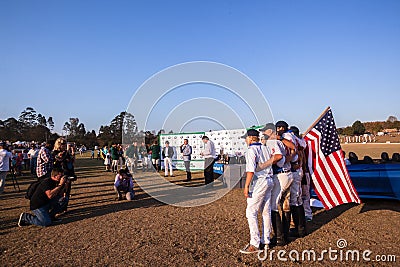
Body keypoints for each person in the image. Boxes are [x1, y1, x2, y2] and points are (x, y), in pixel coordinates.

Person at [239, 129, 274, 254]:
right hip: (269, 179)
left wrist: (246, 186)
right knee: (266, 211)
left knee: (251, 212)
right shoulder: (265, 148)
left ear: (250, 138)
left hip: (260, 182)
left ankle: (255, 243)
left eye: (246, 138)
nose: (245, 140)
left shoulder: (251, 150)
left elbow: (251, 170)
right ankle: (266, 241)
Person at [259, 122, 293, 246]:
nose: (263, 133)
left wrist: (264, 165)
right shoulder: (280, 141)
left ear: (270, 131)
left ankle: (279, 238)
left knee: (273, 206)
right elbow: (290, 152)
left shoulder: (273, 142)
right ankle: (285, 234)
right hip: (287, 173)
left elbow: (278, 156)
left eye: (265, 131)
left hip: (280, 175)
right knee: (285, 205)